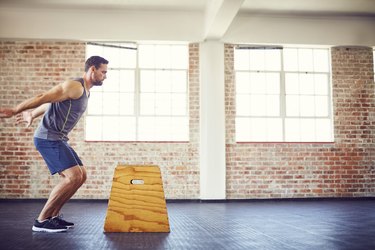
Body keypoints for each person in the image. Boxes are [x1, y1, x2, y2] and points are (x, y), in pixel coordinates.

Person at [0, 56, 108, 233]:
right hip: (48, 138)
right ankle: (41, 221)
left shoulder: (86, 91)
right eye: (103, 72)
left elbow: (52, 104)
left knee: (81, 176)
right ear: (92, 70)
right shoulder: (74, 86)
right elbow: (44, 97)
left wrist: (32, 114)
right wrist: (15, 110)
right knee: (73, 176)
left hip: (59, 138)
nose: (105, 76)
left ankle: (54, 217)